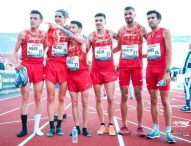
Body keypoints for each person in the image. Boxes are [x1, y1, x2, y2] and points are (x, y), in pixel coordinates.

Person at [113, 6, 147, 136]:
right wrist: (107, 53)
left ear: (134, 14)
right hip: (124, 67)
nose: (127, 16)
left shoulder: (141, 29)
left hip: (137, 66)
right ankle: (124, 126)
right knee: (124, 95)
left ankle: (140, 126)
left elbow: (151, 42)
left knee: (139, 95)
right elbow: (119, 47)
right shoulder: (121, 30)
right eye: (125, 14)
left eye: (129, 14)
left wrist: (150, 55)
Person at [12, 10, 46, 137]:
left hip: (39, 67)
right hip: (25, 67)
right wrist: (16, 63)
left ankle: (36, 128)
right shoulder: (23, 34)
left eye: (35, 18)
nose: (32, 20)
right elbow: (15, 51)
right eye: (31, 18)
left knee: (38, 97)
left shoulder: (44, 35)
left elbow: (49, 46)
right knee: (25, 97)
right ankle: (24, 128)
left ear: (40, 21)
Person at [145, 10, 176, 144]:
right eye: (148, 18)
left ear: (158, 19)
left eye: (152, 18)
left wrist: (167, 71)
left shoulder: (165, 31)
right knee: (152, 99)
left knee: (165, 100)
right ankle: (156, 129)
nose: (150, 20)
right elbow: (151, 53)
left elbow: (169, 52)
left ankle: (169, 132)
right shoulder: (148, 35)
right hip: (150, 70)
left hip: (162, 71)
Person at [87, 13, 118, 136]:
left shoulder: (110, 33)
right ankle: (102, 125)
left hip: (109, 71)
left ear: (105, 22)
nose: (98, 22)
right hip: (96, 71)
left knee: (110, 98)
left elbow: (124, 42)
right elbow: (85, 50)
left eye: (100, 20)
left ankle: (110, 125)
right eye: (96, 20)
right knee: (98, 98)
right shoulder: (91, 36)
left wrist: (113, 51)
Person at [44, 9, 69, 137]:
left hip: (64, 67)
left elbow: (81, 40)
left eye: (59, 16)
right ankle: (51, 127)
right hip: (50, 66)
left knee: (61, 97)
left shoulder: (69, 31)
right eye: (55, 16)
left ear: (65, 18)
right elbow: (43, 45)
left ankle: (59, 126)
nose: (57, 18)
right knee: (50, 96)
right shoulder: (49, 31)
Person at [179, 43, 191, 112]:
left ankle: (187, 106)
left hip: (188, 74)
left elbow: (185, 62)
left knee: (187, 90)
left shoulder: (189, 52)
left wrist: (182, 71)